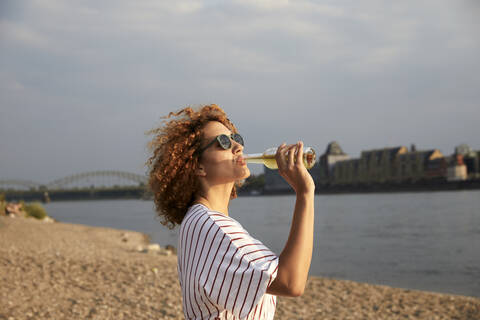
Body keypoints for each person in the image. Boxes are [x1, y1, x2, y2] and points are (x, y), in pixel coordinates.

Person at [146, 104, 315, 320]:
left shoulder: (196, 221)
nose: (237, 146)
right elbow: (291, 282)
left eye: (236, 138)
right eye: (223, 143)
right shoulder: (214, 227)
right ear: (198, 166)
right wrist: (305, 193)